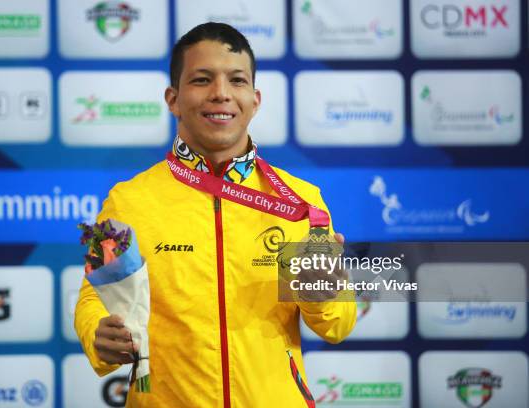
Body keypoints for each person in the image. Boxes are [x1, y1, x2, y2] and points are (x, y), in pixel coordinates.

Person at [75, 22, 356, 408]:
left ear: (255, 100)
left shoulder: (303, 202)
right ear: (173, 98)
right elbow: (93, 297)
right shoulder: (125, 200)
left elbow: (338, 324)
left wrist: (322, 294)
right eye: (202, 79)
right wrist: (96, 334)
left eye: (236, 80)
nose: (221, 94)